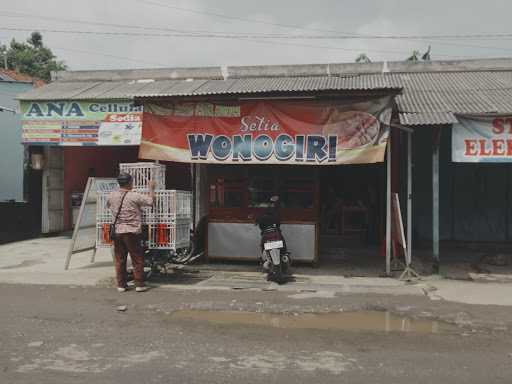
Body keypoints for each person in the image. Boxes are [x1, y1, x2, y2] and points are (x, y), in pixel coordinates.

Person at [107, 173, 155, 293]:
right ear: (129, 183)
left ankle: (121, 285)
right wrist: (151, 189)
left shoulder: (112, 195)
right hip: (132, 232)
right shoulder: (134, 196)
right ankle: (139, 284)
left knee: (120, 259)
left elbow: (108, 205)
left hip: (117, 231)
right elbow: (150, 202)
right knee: (137, 258)